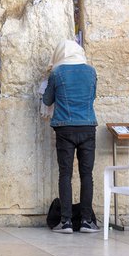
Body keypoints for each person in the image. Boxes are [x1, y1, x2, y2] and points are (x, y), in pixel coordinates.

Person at [43, 40, 99, 234]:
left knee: (65, 175)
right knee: (87, 175)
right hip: (87, 126)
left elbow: (47, 99)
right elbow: (92, 97)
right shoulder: (91, 72)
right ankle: (86, 221)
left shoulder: (57, 73)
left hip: (64, 128)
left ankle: (66, 221)